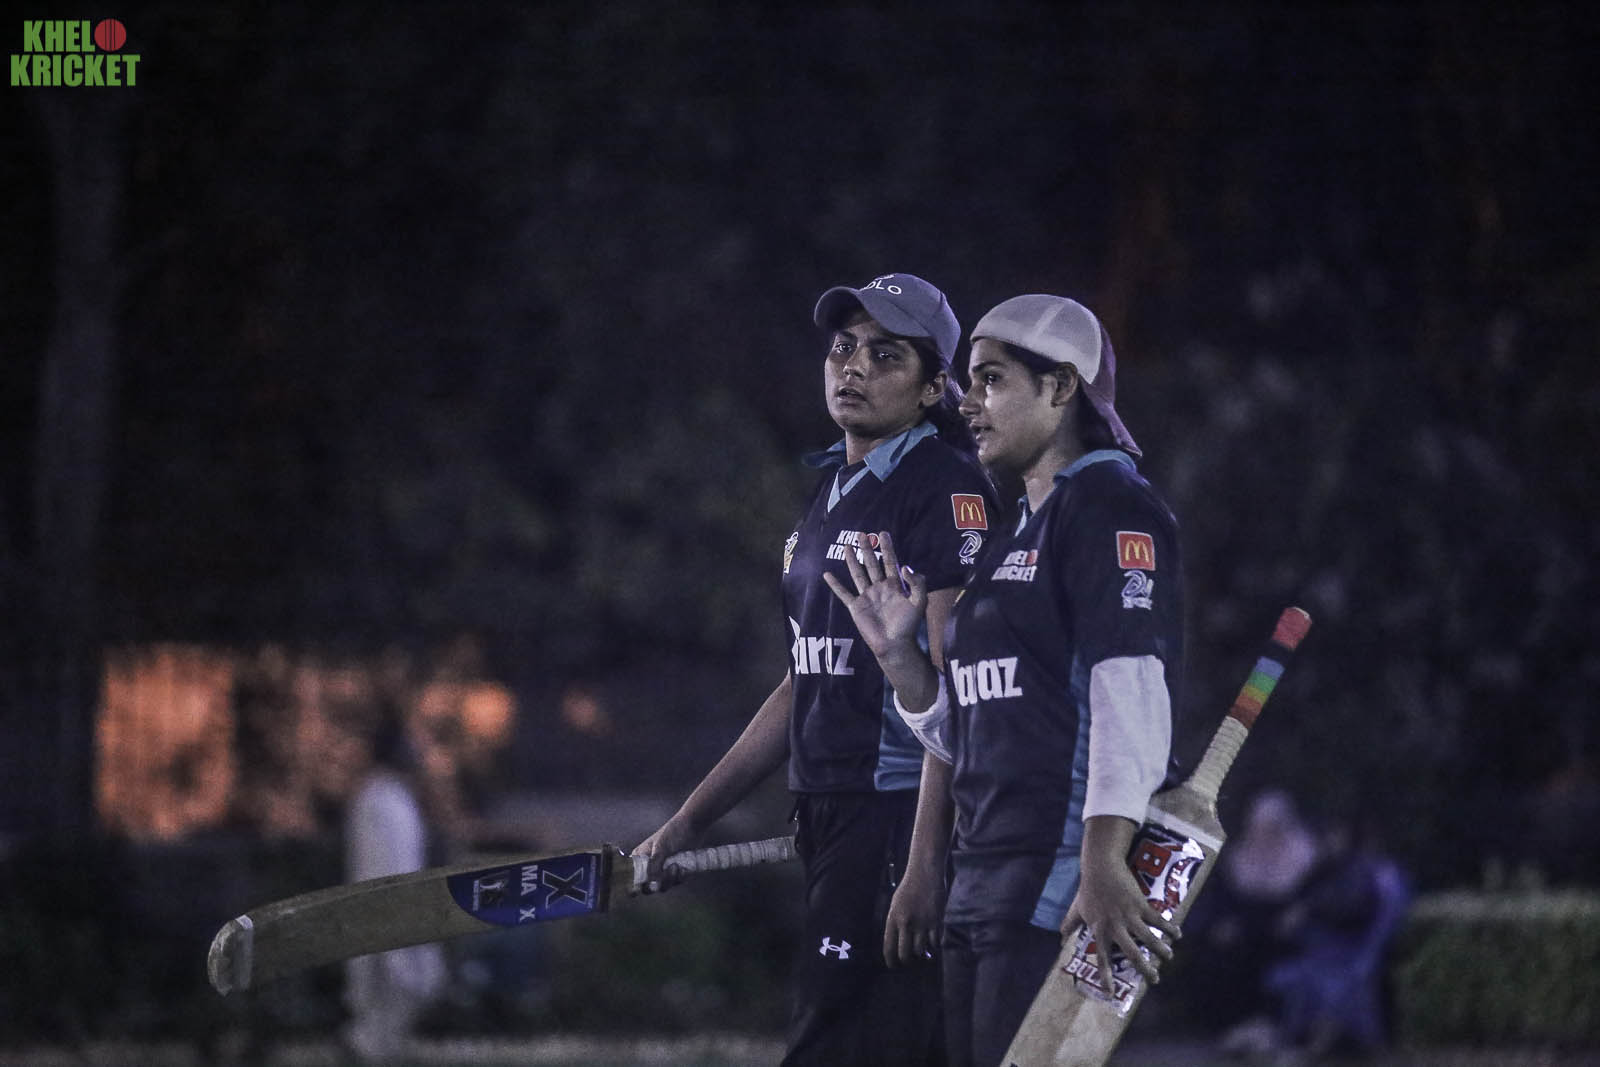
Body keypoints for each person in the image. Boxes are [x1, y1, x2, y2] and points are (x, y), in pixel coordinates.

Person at [634, 273, 997, 1066]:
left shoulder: (943, 486)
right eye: (843, 347)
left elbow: (958, 693)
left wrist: (924, 862)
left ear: (934, 386)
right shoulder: (833, 488)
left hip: (895, 814)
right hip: (831, 813)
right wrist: (687, 821)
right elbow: (803, 680)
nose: (853, 365)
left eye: (886, 354)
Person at [824, 294, 1185, 1067]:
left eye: (991, 380)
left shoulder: (1109, 506)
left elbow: (1132, 689)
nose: (968, 402)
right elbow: (971, 728)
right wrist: (899, 658)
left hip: (1055, 889)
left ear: (1061, 387)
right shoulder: (1011, 530)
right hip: (980, 880)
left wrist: (1104, 860)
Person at [342, 714, 447, 1061]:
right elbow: (377, 862)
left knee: (421, 982)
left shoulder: (397, 796)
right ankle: (365, 1047)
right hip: (383, 907)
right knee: (388, 986)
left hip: (407, 904)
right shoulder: (376, 797)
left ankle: (373, 1046)